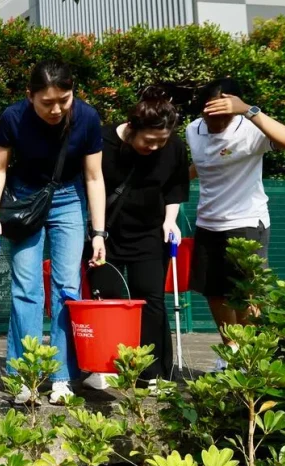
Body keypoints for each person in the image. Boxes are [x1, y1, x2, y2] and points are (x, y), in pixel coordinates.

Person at [0, 60, 107, 405]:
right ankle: (26, 374)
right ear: (30, 96)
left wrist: (98, 233)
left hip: (69, 199)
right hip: (25, 201)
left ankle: (63, 376)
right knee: (27, 288)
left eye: (63, 100)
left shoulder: (87, 117)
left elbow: (94, 177)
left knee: (68, 287)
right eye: (46, 102)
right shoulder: (13, 118)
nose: (56, 109)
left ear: (72, 92)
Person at [187, 78, 285, 371]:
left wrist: (249, 110)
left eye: (223, 114)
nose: (215, 121)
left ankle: (252, 355)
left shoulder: (251, 128)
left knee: (248, 291)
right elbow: (204, 164)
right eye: (209, 113)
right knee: (214, 291)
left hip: (247, 221)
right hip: (207, 221)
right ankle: (230, 352)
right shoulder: (192, 131)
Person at [84, 87, 189, 389]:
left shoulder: (174, 147)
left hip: (150, 233)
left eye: (162, 141)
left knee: (151, 299)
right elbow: (93, 185)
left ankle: (152, 372)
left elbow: (175, 187)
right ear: (131, 128)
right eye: (149, 140)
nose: (155, 147)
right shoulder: (102, 141)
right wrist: (97, 234)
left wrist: (171, 221)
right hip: (107, 233)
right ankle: (105, 368)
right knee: (108, 300)